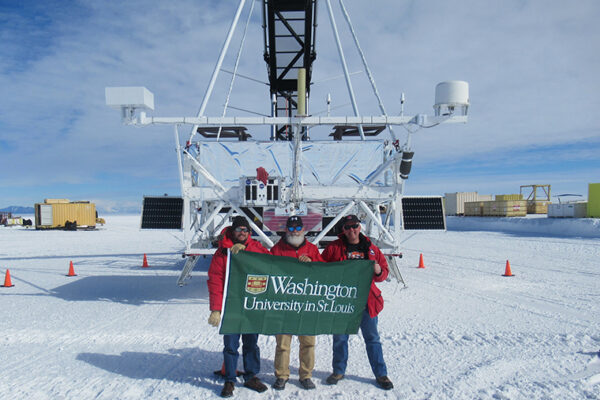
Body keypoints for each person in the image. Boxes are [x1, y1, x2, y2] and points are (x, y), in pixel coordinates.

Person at [321, 214, 394, 390]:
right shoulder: (334, 248)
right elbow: (321, 268)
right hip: (342, 301)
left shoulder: (371, 248)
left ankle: (381, 374)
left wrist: (377, 270)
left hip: (366, 301)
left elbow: (384, 273)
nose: (351, 230)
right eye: (347, 227)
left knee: (372, 339)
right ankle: (338, 370)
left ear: (359, 227)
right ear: (343, 230)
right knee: (340, 338)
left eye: (354, 226)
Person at [207, 215, 271, 398]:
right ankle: (230, 378)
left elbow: (270, 263)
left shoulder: (256, 248)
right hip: (231, 306)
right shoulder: (222, 253)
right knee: (231, 345)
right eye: (238, 230)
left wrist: (247, 253)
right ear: (232, 231)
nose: (242, 233)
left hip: (251, 304)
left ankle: (251, 376)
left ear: (249, 233)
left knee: (251, 344)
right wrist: (216, 309)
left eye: (245, 230)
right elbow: (215, 281)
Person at [269, 216, 325, 391]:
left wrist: (312, 263)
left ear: (303, 229)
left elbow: (323, 272)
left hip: (307, 305)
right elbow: (267, 270)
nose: (295, 231)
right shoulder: (277, 250)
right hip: (284, 305)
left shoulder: (312, 249)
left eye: (297, 227)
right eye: (291, 228)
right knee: (283, 344)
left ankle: (306, 375)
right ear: (286, 230)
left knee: (308, 342)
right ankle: (282, 375)